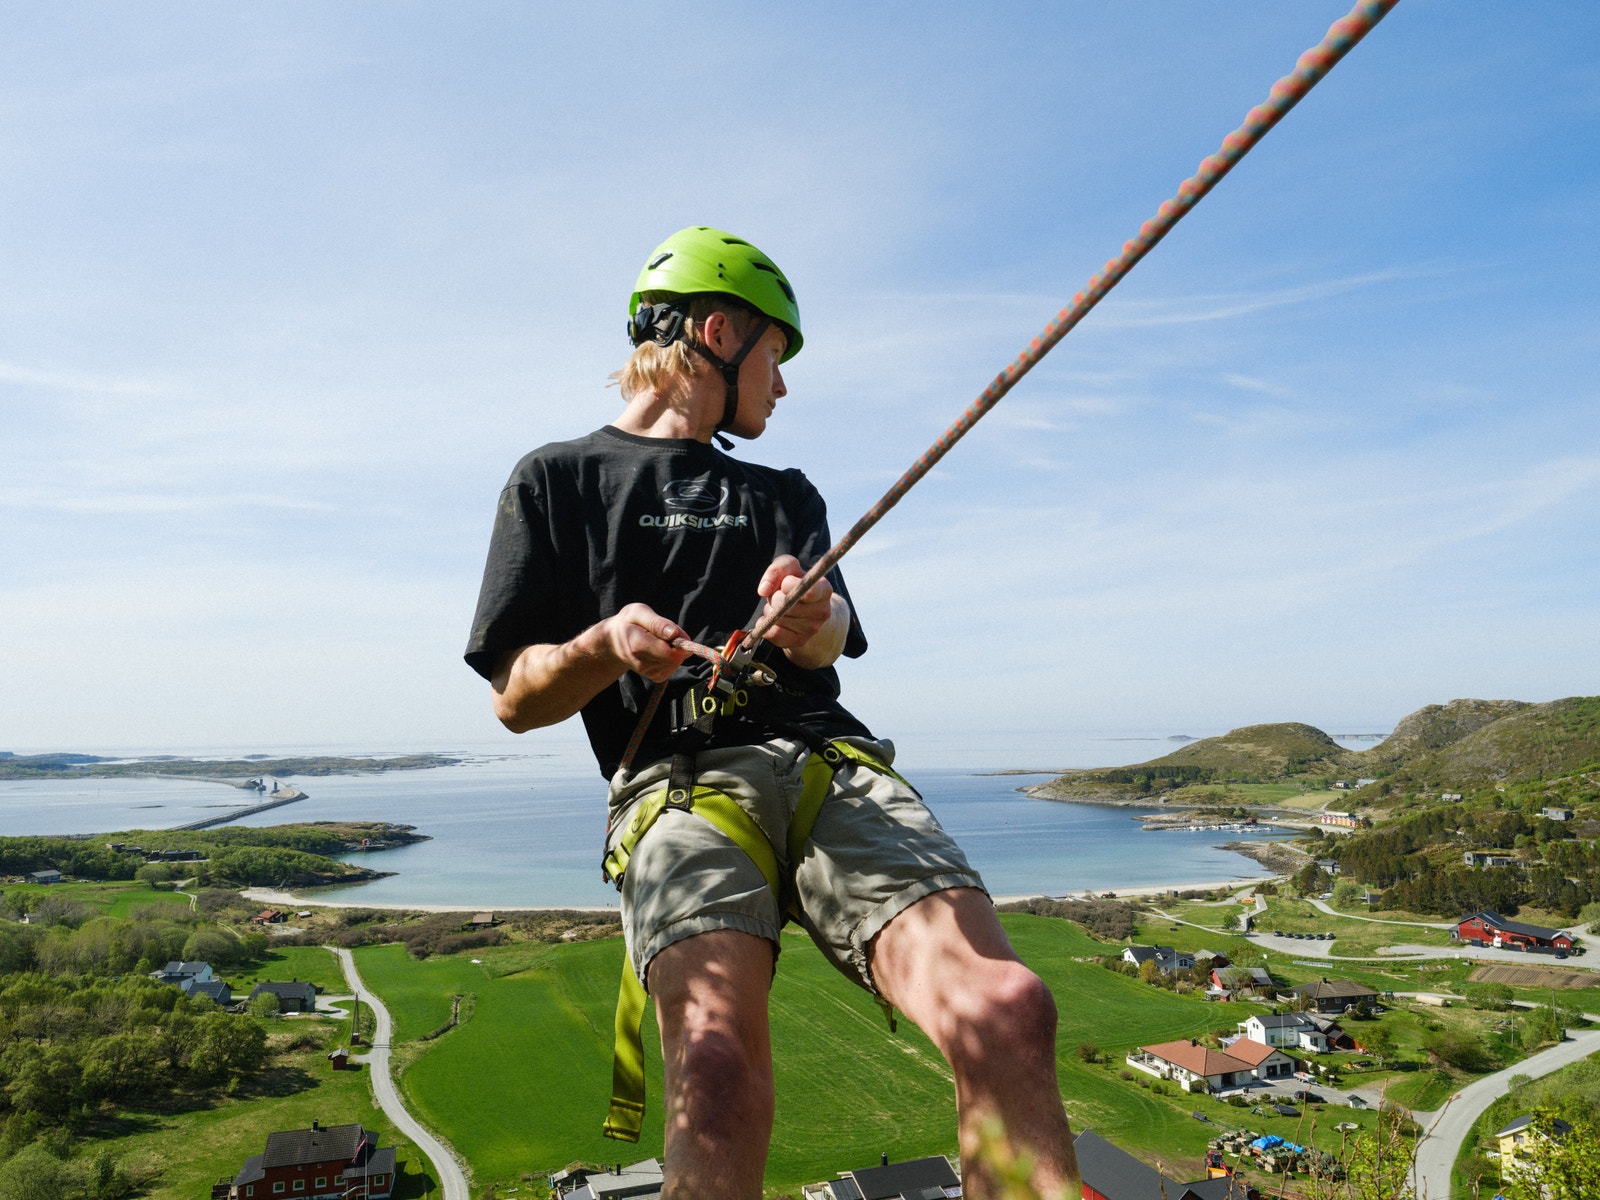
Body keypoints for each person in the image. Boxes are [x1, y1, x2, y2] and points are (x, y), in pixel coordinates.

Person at [465, 226, 1077, 1200]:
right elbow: (516, 698)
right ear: (718, 332)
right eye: (775, 358)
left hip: (829, 764)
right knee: (714, 1076)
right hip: (677, 788)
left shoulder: (784, 493)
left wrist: (808, 614)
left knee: (1006, 1007)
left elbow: (834, 637)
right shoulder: (558, 482)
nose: (782, 388)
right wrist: (603, 645)